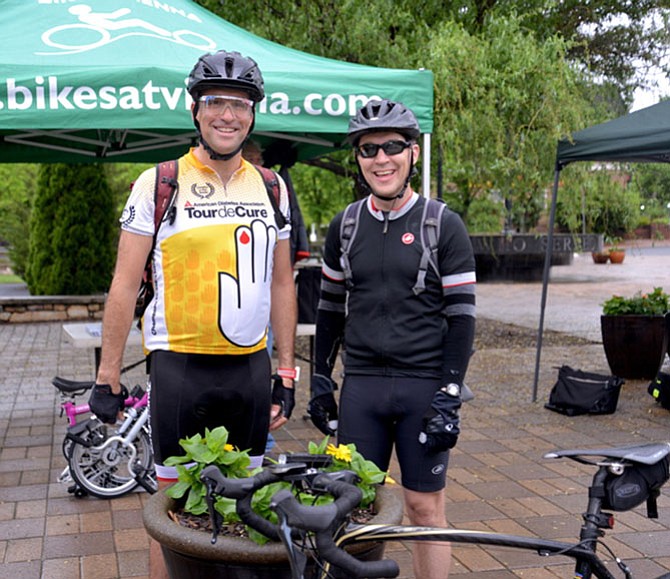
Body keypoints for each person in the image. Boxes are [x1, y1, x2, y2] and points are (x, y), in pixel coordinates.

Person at [89, 50, 297, 579]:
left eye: (240, 104)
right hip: (179, 367)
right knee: (172, 516)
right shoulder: (159, 182)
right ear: (195, 110)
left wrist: (288, 370)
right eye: (216, 103)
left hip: (250, 369)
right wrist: (107, 374)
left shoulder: (272, 187)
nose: (228, 115)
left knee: (245, 508)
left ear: (253, 113)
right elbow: (122, 282)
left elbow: (281, 283)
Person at [308, 99, 476, 579]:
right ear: (358, 159)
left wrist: (449, 393)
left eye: (392, 147)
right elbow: (328, 310)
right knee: (354, 510)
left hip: (423, 386)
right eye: (368, 149)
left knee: (424, 509)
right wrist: (320, 379)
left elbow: (462, 317)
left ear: (413, 153)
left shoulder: (443, 223)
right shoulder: (345, 225)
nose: (381, 159)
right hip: (362, 387)